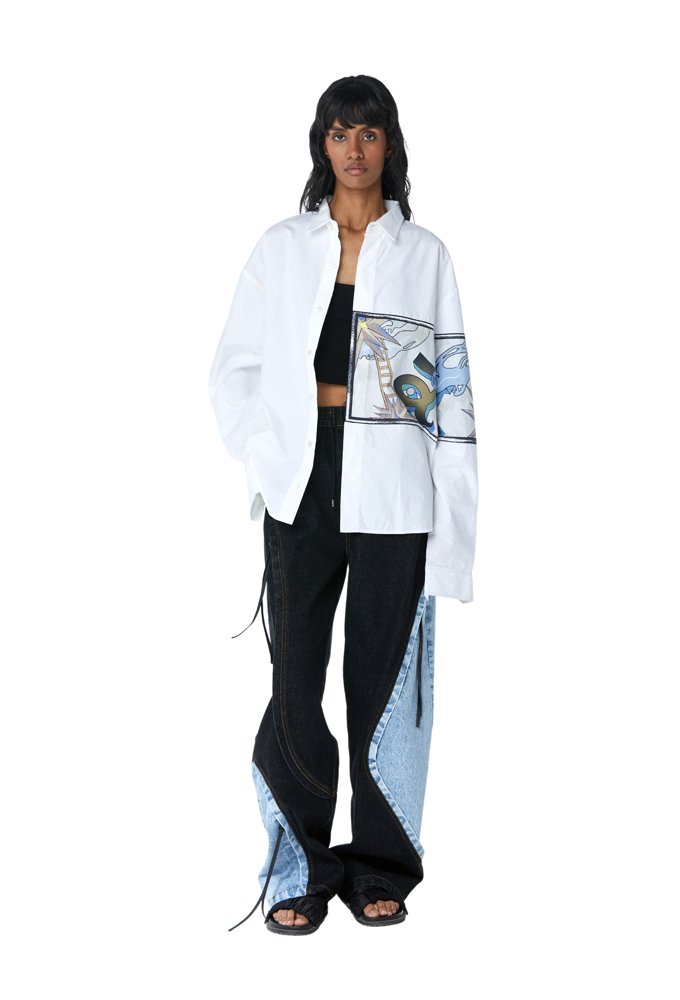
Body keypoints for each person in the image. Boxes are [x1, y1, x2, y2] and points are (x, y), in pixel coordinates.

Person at [208, 74, 478, 935]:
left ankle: (381, 866)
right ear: (320, 144)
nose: (353, 149)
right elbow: (234, 368)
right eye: (338, 132)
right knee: (295, 678)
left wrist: (455, 527)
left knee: (384, 683)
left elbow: (448, 398)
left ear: (389, 144)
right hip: (301, 478)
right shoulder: (283, 247)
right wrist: (265, 453)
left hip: (394, 487)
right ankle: (300, 864)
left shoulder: (423, 255)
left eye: (368, 133)